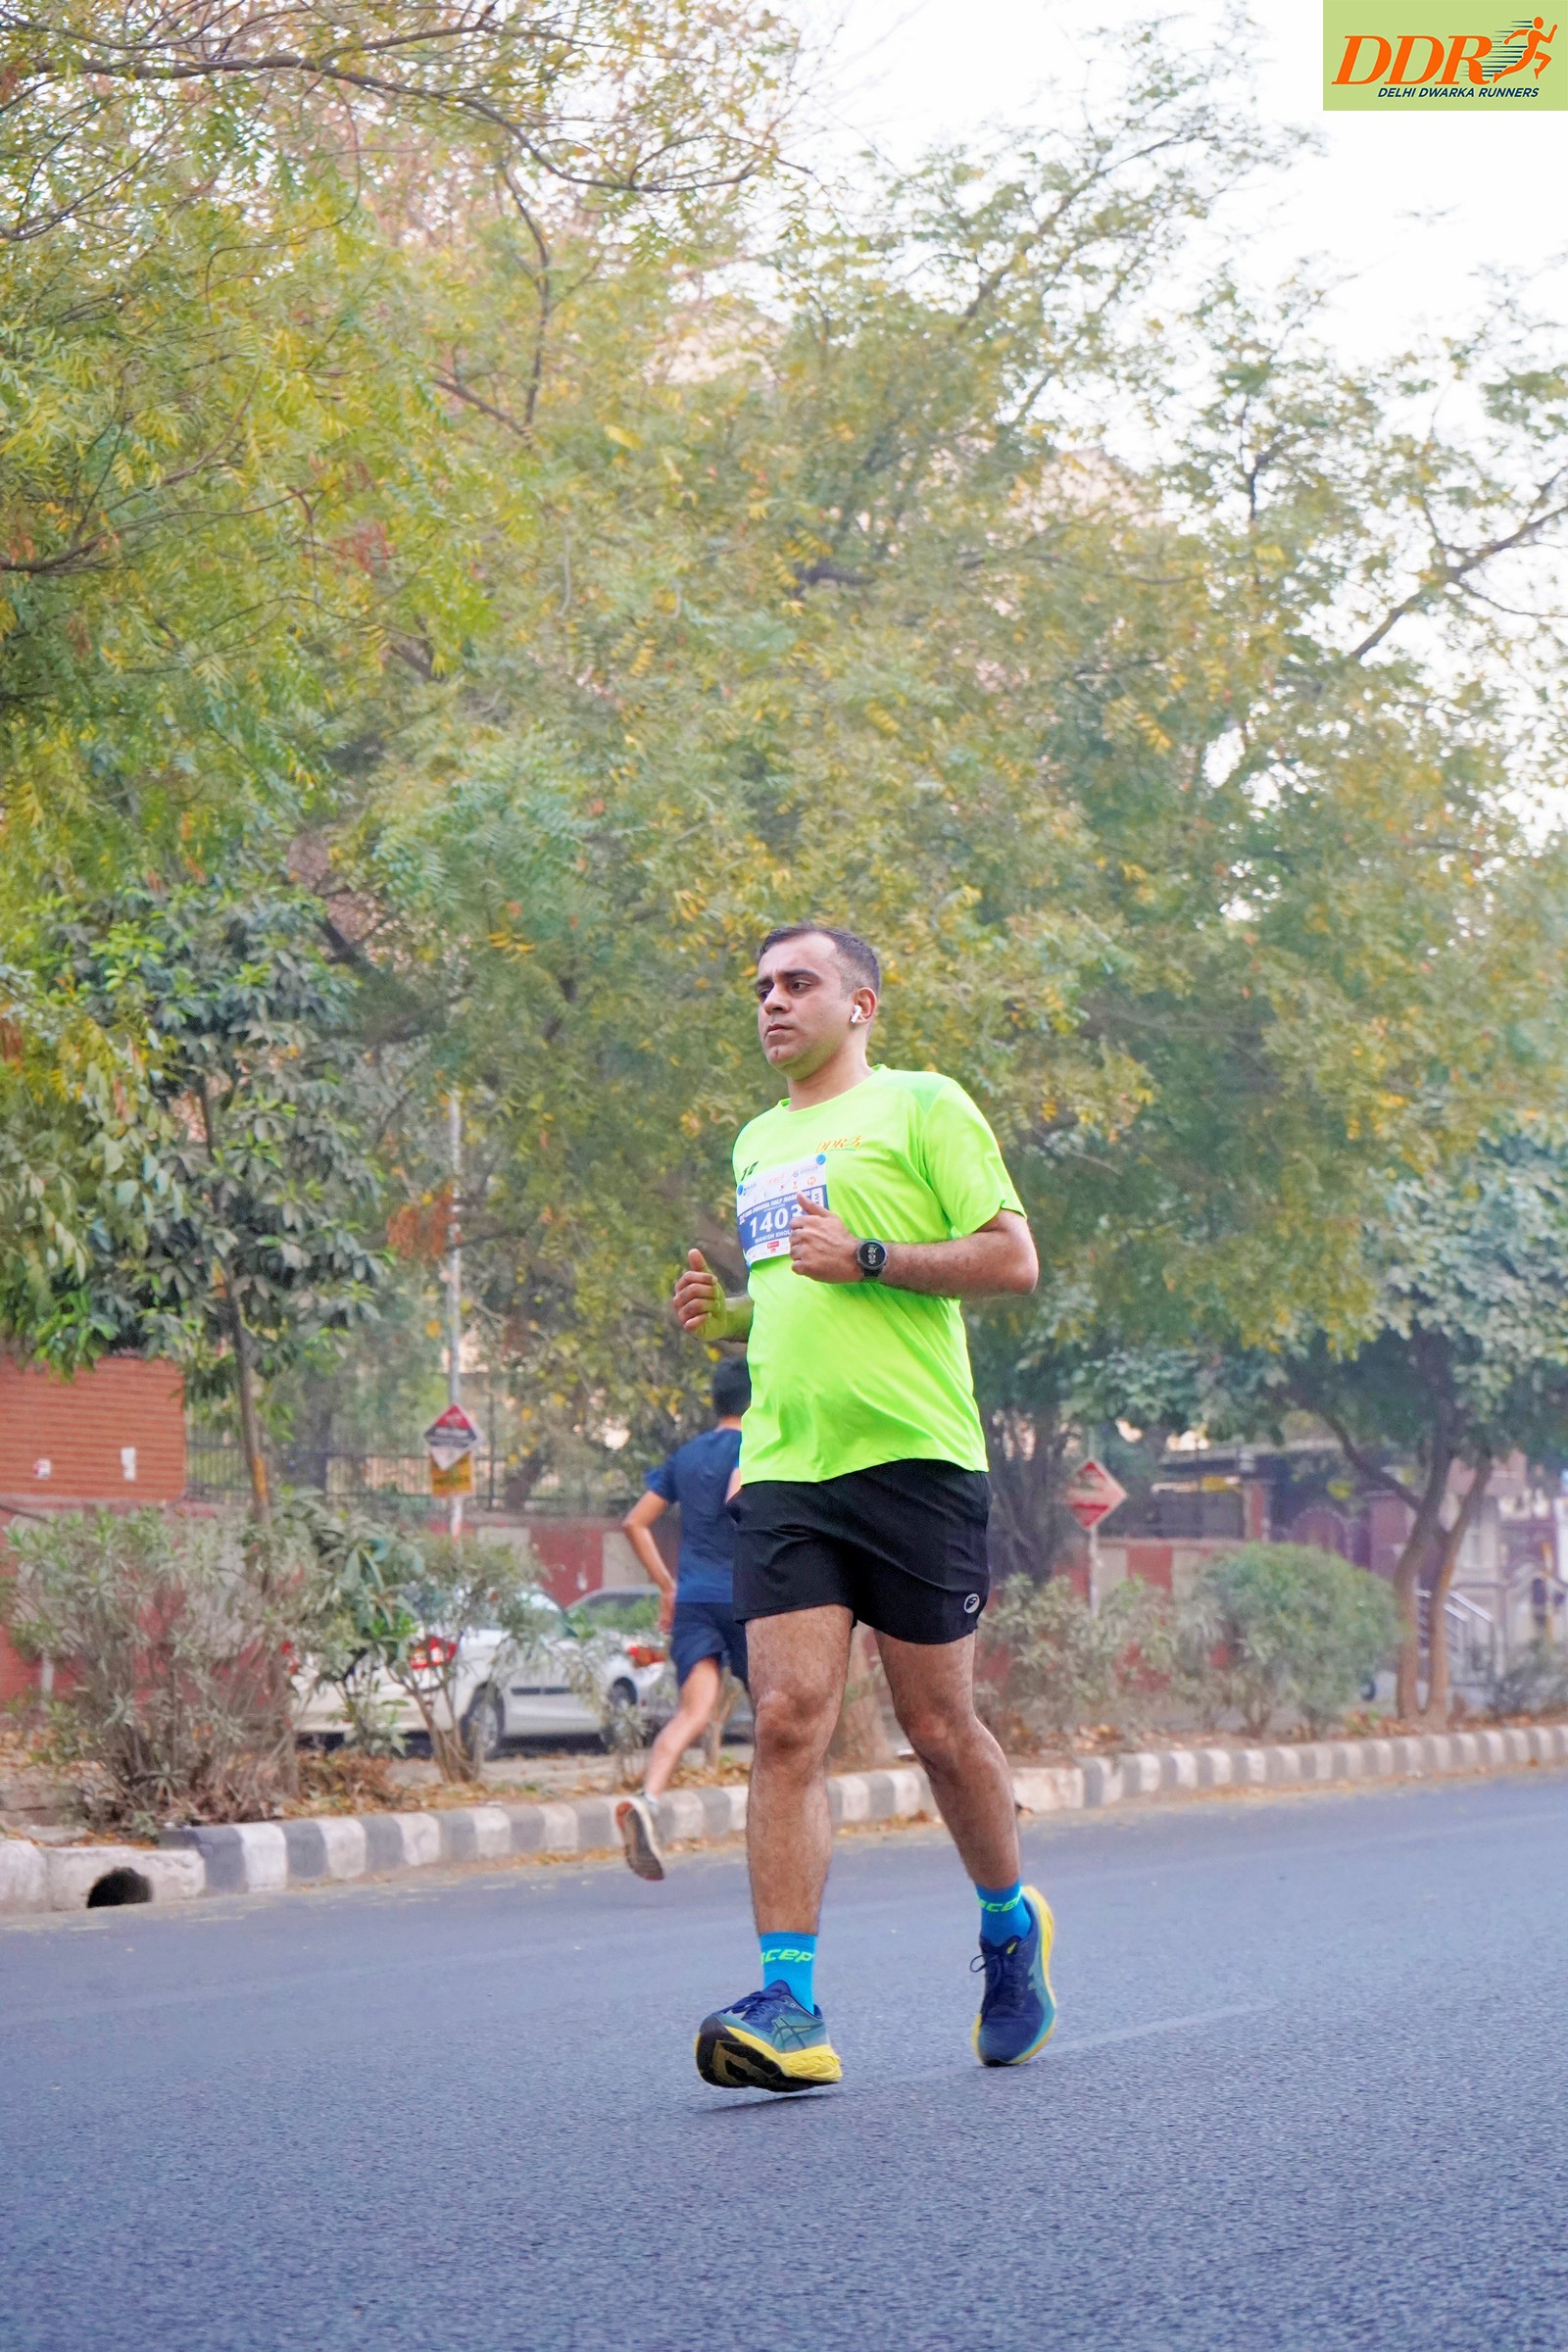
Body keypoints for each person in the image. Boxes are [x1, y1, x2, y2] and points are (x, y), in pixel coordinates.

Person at [672, 923, 1054, 2093]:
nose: (772, 1003)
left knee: (938, 1728)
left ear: (861, 1005)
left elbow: (1011, 1260)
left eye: (798, 983)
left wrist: (876, 1256)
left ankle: (1009, 1927)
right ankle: (789, 2005)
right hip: (788, 1467)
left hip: (915, 1460)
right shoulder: (756, 1141)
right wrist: (730, 1319)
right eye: (761, 988)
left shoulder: (923, 1105)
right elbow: (800, 1287)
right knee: (789, 1720)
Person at [614, 1359, 752, 1881]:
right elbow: (746, 1504)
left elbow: (635, 1522)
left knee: (692, 1714)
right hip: (746, 1599)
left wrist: (667, 1585)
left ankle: (648, 1799)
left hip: (693, 1599)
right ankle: (779, 1821)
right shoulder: (759, 1445)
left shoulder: (687, 1456)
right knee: (778, 1718)